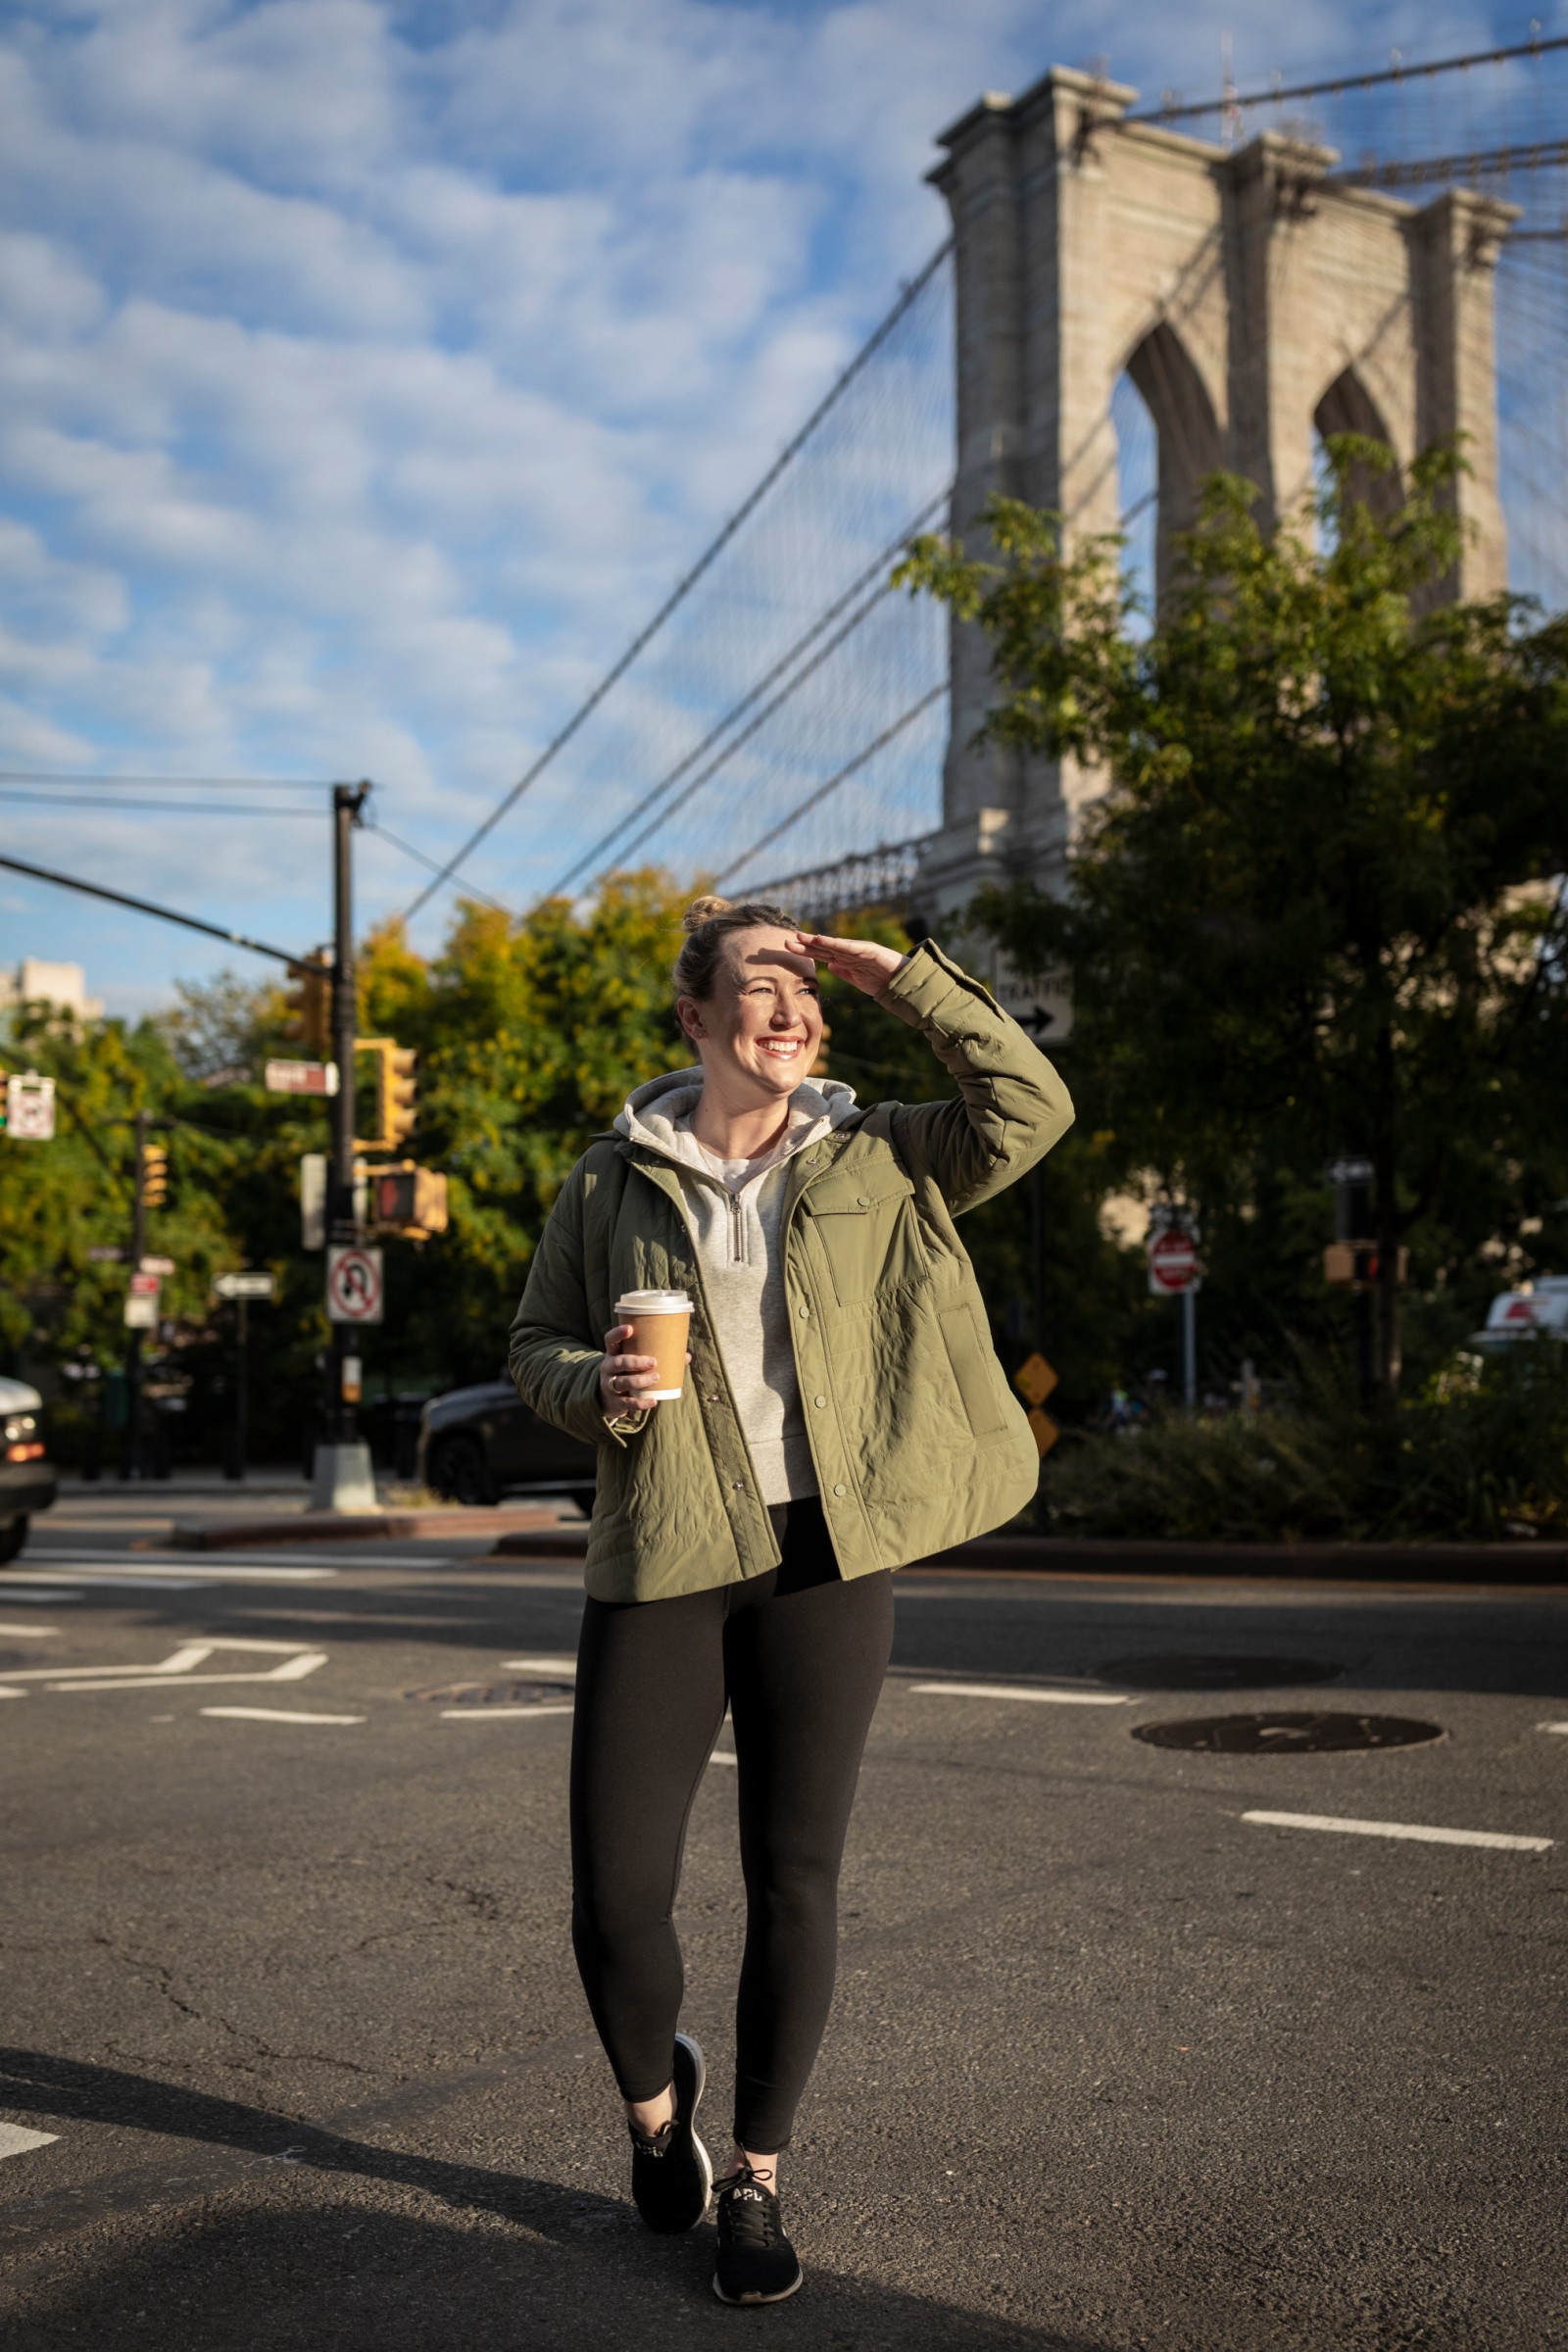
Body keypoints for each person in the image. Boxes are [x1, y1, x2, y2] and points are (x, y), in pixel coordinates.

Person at [509, 896, 1073, 2306]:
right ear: (695, 1019)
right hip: (666, 1547)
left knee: (795, 1878)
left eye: (805, 989)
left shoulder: (881, 1153)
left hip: (827, 1553)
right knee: (615, 1896)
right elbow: (534, 1344)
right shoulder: (609, 1181)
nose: (790, 1005)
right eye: (759, 984)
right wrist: (596, 1386)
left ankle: (756, 2178)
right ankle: (659, 2119)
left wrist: (908, 983)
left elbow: (1032, 1108)